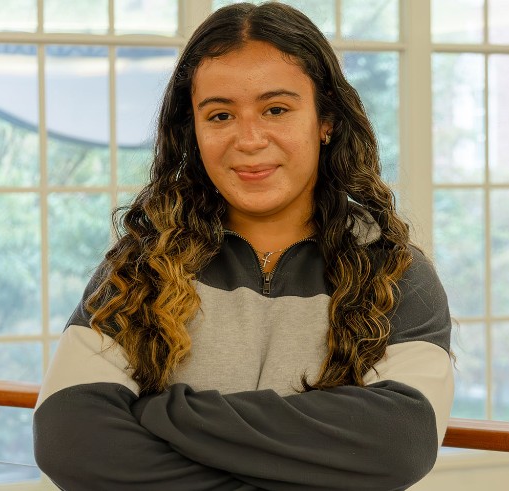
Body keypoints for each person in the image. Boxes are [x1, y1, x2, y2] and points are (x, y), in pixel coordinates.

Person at [31, 3, 454, 490]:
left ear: (326, 121)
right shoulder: (137, 269)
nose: (249, 139)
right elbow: (70, 437)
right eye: (220, 114)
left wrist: (157, 411)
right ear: (193, 130)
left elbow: (399, 441)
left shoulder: (398, 274)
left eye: (276, 109)